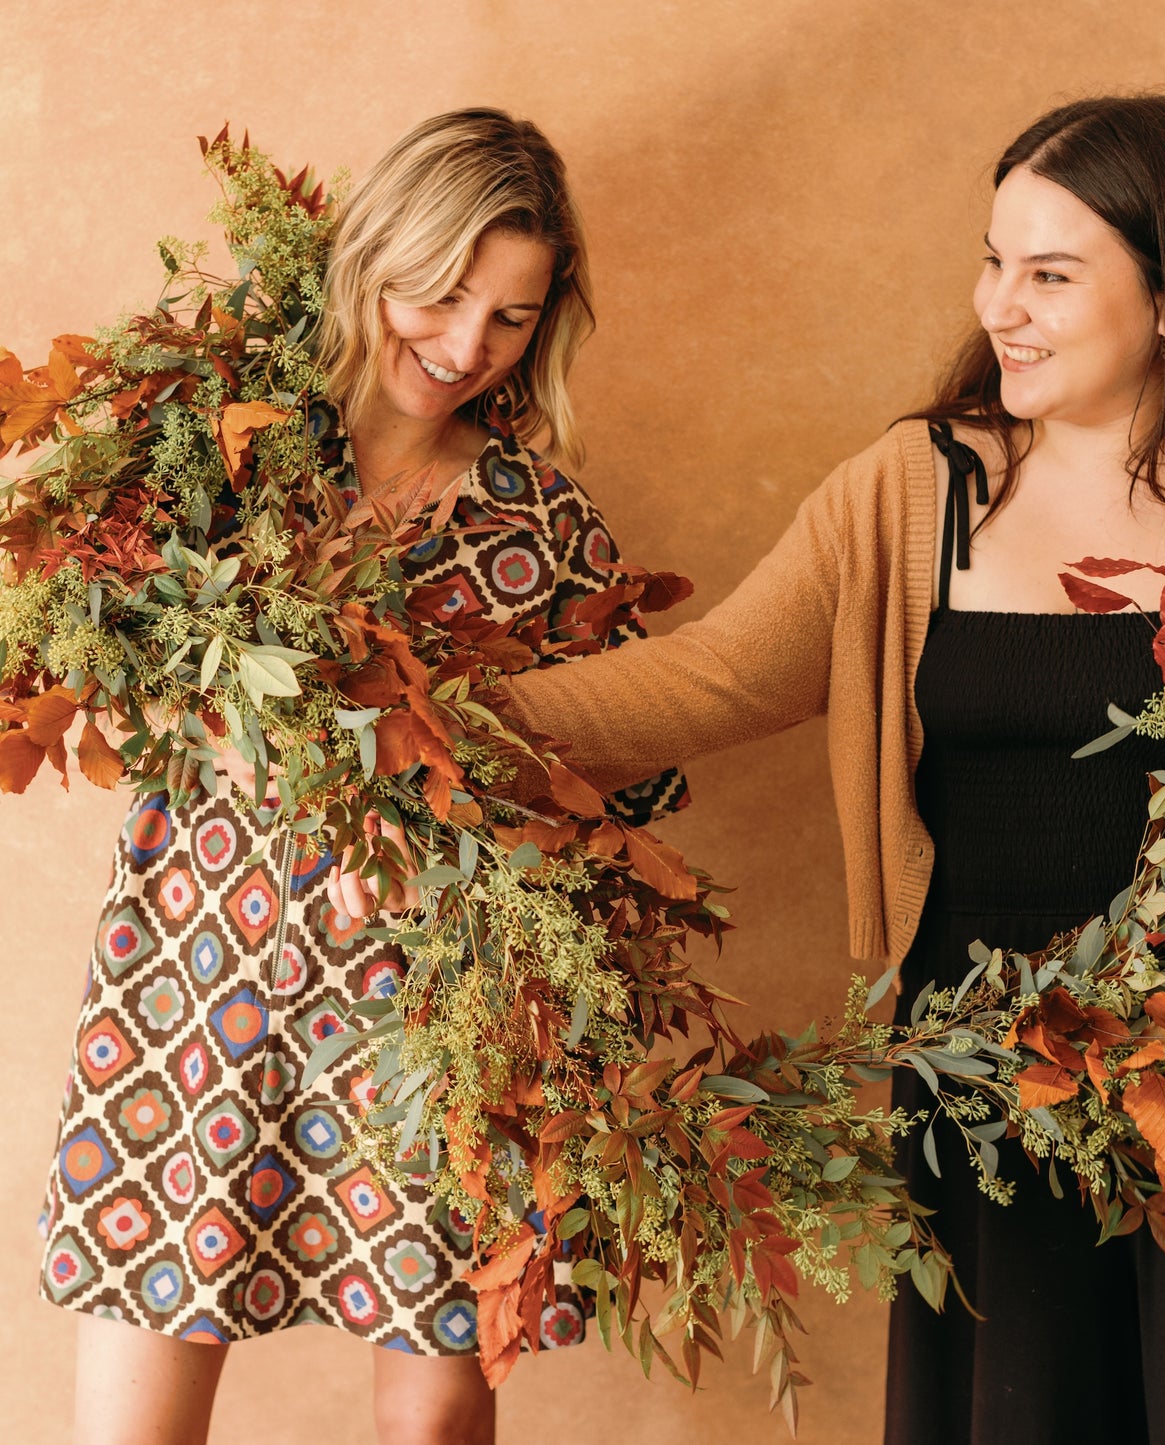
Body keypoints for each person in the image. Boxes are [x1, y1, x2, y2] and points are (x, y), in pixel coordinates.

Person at [500, 95, 1165, 1443]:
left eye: (1050, 274)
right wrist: (436, 715)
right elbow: (707, 676)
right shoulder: (915, 489)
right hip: (992, 1067)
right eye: (993, 260)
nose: (1001, 304)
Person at [38, 108, 683, 1445]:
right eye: (440, 294)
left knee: (433, 1427)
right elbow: (73, 631)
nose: (463, 348)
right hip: (191, 987)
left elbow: (630, 779)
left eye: (510, 317)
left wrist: (476, 747)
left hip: (431, 1025)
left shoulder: (540, 520)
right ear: (369, 254)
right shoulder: (217, 442)